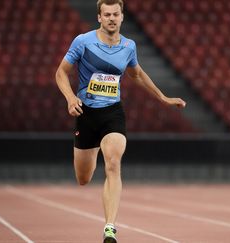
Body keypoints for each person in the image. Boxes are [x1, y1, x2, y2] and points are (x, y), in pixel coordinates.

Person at [55, 0, 186, 242]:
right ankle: (90, 155)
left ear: (122, 17)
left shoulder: (128, 46)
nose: (112, 18)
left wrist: (164, 98)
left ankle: (110, 227)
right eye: (107, 14)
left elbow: (136, 74)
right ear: (99, 17)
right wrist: (70, 97)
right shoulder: (83, 42)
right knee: (83, 178)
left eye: (116, 14)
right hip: (85, 113)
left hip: (112, 113)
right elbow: (61, 72)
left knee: (114, 163)